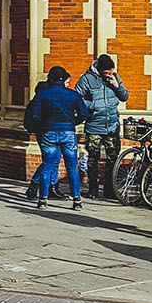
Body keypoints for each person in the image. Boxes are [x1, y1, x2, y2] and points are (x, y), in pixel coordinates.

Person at [26, 65, 90, 210]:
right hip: (68, 132)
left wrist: (45, 124)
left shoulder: (42, 95)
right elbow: (84, 114)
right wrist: (72, 122)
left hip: (49, 132)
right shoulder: (73, 95)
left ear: (50, 78)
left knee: (47, 165)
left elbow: (35, 115)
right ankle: (77, 200)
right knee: (72, 167)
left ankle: (43, 199)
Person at [77, 54, 129, 200]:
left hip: (112, 125)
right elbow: (77, 99)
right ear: (99, 70)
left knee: (113, 158)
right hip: (94, 125)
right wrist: (93, 106)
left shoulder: (115, 77)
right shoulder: (86, 79)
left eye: (112, 70)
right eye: (107, 72)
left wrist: (117, 86)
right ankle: (93, 188)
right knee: (93, 158)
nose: (110, 73)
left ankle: (110, 189)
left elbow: (125, 96)